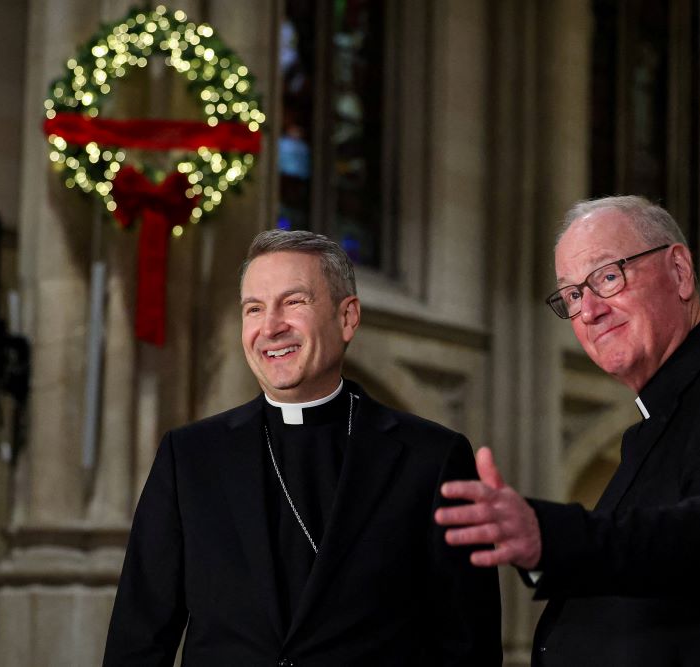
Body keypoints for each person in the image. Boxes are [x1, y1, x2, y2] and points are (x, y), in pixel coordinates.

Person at [435, 196, 700, 665]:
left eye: (607, 277)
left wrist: (550, 536)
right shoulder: (666, 414)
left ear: (679, 272)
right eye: (571, 295)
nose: (588, 311)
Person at [104, 230, 502, 666]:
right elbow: (137, 641)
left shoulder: (431, 459)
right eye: (254, 309)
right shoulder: (191, 458)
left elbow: (468, 647)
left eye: (293, 302)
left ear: (347, 317)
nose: (271, 327)